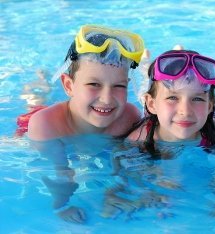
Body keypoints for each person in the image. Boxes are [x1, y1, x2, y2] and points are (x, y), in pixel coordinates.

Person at [26, 24, 145, 223]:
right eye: (94, 84)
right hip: (34, 123)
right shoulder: (47, 125)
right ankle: (40, 85)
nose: (107, 99)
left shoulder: (129, 117)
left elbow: (129, 165)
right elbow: (58, 174)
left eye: (119, 86)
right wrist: (61, 207)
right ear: (68, 85)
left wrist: (118, 192)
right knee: (33, 105)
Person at [126, 49, 215, 158]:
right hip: (153, 114)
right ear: (152, 104)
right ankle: (145, 64)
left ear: (209, 106)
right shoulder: (139, 139)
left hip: (210, 117)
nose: (185, 111)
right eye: (172, 97)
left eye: (197, 99)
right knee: (145, 88)